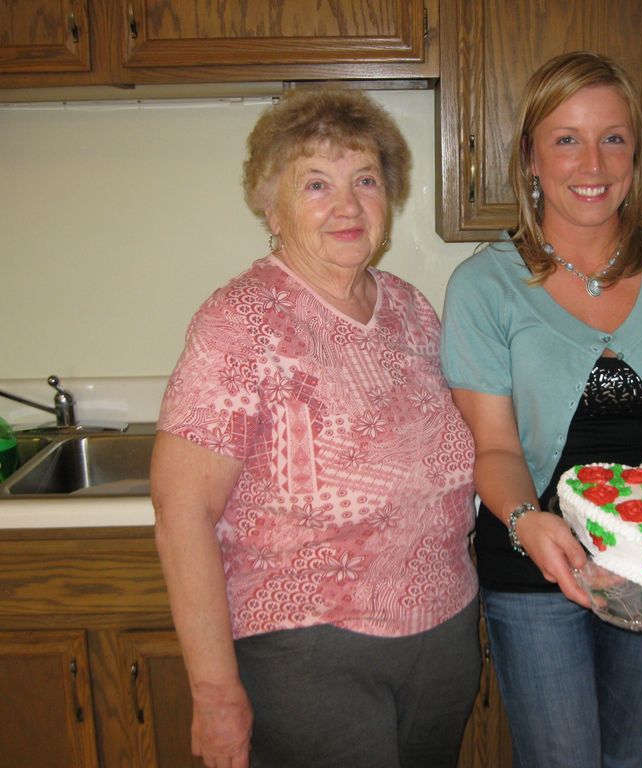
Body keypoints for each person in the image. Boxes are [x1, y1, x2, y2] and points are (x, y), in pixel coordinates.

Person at [151, 88, 480, 768]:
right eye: (316, 184)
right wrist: (215, 693)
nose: (347, 204)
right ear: (271, 209)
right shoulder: (242, 320)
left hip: (442, 634)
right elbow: (181, 509)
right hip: (308, 652)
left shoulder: (411, 311)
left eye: (365, 179)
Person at [440, 51, 642, 768]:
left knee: (627, 757)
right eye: (566, 138)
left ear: (638, 153)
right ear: (531, 159)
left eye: (613, 137)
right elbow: (497, 452)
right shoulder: (485, 289)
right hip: (534, 559)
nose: (591, 161)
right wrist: (525, 522)